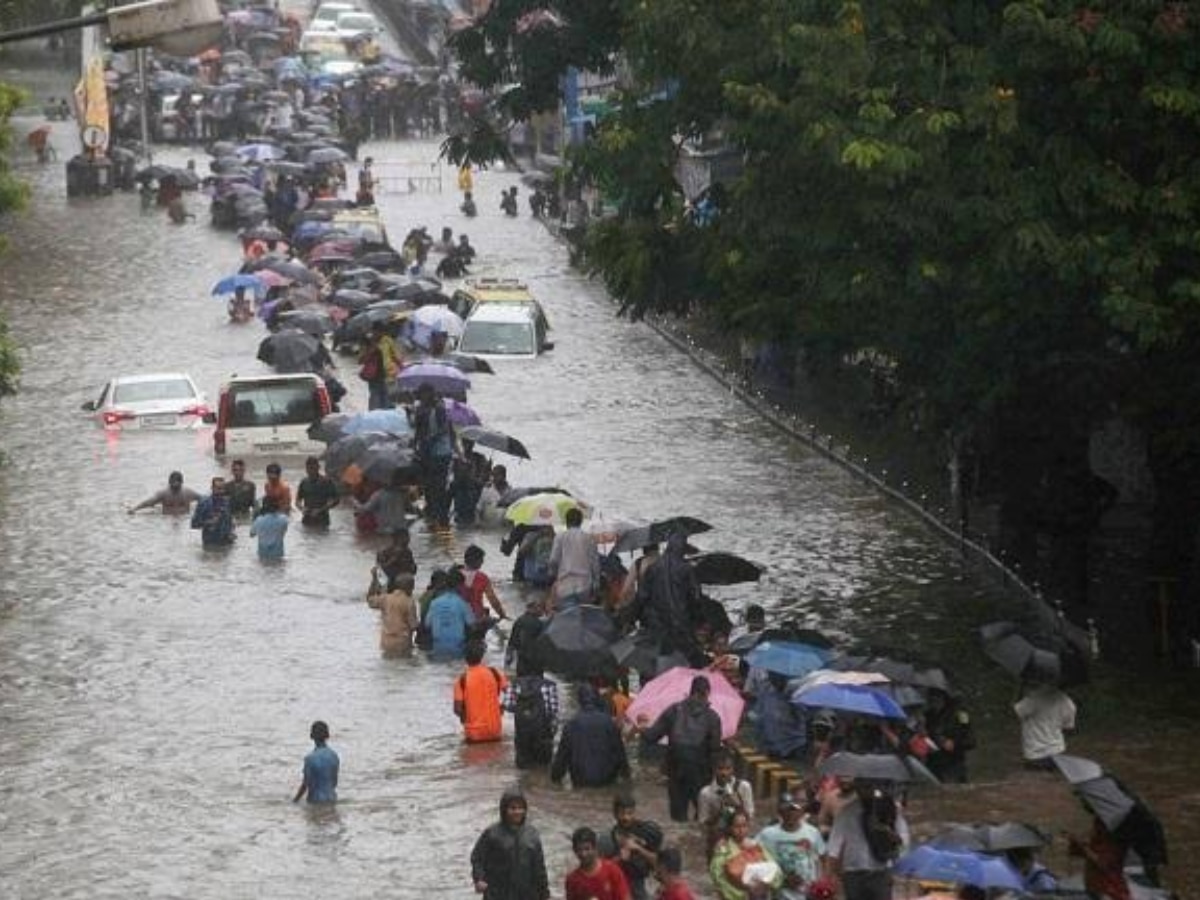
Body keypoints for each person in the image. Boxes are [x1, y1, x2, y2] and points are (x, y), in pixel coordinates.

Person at [638, 675, 724, 823]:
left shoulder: (673, 710)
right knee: (704, 816)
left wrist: (642, 727)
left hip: (676, 769)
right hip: (701, 772)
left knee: (678, 817)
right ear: (707, 693)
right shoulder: (713, 718)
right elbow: (715, 751)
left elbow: (651, 737)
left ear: (691, 691)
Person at [824, 781, 909, 900]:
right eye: (862, 786)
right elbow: (834, 843)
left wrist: (889, 835)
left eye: (870, 786)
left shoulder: (890, 809)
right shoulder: (847, 812)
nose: (866, 790)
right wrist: (829, 873)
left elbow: (904, 839)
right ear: (857, 789)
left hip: (881, 871)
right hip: (853, 872)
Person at [470, 788, 550, 900]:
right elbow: (477, 858)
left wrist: (544, 892)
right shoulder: (492, 834)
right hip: (498, 892)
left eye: (521, 808)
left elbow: (539, 868)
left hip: (527, 893)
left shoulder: (532, 834)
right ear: (504, 810)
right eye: (512, 808)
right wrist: (479, 879)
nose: (517, 812)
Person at [551, 684, 631, 788]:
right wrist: (627, 776)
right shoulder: (609, 723)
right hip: (607, 778)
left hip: (580, 778)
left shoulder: (571, 725)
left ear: (579, 701)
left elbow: (562, 757)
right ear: (598, 700)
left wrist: (555, 779)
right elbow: (620, 752)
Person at [756, 794, 826, 900]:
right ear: (780, 812)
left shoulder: (812, 832)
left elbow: (822, 859)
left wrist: (820, 886)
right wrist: (782, 879)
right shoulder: (767, 834)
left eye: (794, 810)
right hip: (779, 895)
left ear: (801, 812)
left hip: (808, 894)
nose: (790, 814)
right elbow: (754, 859)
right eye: (786, 810)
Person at [598, 794, 664, 900]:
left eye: (630, 813)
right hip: (614, 891)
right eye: (621, 813)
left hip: (638, 889)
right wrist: (620, 858)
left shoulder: (646, 833)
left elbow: (661, 864)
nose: (626, 817)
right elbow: (598, 872)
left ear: (635, 812)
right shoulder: (606, 839)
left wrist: (639, 849)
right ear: (614, 813)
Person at [709, 810, 783, 900]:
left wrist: (765, 884)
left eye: (744, 826)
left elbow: (776, 871)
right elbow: (718, 879)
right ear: (729, 828)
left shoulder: (756, 846)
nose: (741, 830)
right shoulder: (723, 850)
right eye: (737, 826)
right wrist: (744, 891)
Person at [697, 750, 756, 858]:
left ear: (733, 769)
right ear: (714, 769)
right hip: (718, 840)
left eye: (728, 769)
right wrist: (720, 810)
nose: (724, 773)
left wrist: (738, 804)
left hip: (740, 839)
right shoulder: (706, 793)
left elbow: (749, 818)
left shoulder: (744, 787)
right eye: (720, 769)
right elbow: (703, 823)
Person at [413, 382, 455, 531]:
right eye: (421, 394)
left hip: (440, 453)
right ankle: (432, 513)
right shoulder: (420, 409)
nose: (423, 397)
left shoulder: (440, 408)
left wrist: (431, 439)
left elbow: (444, 429)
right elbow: (417, 431)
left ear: (431, 394)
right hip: (426, 452)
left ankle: (441, 516)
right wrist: (415, 446)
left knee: (439, 485)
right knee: (428, 485)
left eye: (426, 394)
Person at [502, 661, 559, 768]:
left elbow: (508, 706)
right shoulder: (550, 685)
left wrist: (524, 710)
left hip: (522, 736)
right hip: (543, 736)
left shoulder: (514, 684)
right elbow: (553, 711)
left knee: (523, 774)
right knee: (543, 770)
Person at [1013, 681, 1076, 768]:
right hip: (1059, 754)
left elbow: (1016, 712)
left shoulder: (1034, 698)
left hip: (1035, 755)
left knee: (1035, 764)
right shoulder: (1067, 701)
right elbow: (1068, 728)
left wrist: (1020, 691)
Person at [455, 640, 508, 743]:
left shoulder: (462, 680)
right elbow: (511, 694)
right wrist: (502, 707)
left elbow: (457, 709)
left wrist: (465, 718)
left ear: (465, 659)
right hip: (495, 731)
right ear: (482, 656)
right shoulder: (494, 673)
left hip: (473, 734)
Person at [549, 507, 601, 609]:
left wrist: (552, 575)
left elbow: (553, 561)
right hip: (584, 585)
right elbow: (595, 564)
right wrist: (596, 584)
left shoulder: (560, 537)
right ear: (581, 522)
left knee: (566, 616)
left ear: (566, 522)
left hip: (564, 586)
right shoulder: (589, 538)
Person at [1068, 817, 1130, 900]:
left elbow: (1102, 863)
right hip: (1095, 887)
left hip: (1111, 890)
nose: (1092, 830)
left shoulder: (1114, 843)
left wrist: (1084, 848)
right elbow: (1076, 853)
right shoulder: (1095, 842)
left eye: (1096, 828)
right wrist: (1074, 842)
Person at [922, 688, 975, 782]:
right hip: (934, 763)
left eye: (937, 698)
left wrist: (954, 743)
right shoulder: (927, 716)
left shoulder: (960, 714)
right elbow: (926, 737)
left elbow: (970, 739)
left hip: (954, 762)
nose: (935, 702)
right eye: (932, 699)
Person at [566, 827, 631, 900]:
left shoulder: (612, 870)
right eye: (579, 850)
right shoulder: (572, 880)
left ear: (595, 848)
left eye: (587, 849)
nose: (583, 854)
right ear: (574, 850)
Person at [367, 572, 418, 656]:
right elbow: (413, 625)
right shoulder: (409, 602)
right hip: (402, 642)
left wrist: (374, 579)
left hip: (386, 642)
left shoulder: (385, 598)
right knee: (404, 667)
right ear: (410, 587)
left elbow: (370, 600)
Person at [426, 578, 476, 658]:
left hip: (438, 647)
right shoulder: (463, 603)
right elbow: (472, 624)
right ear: (459, 587)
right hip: (457, 647)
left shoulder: (434, 602)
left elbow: (427, 624)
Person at [292, 720, 339, 804]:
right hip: (332, 800)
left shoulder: (310, 759)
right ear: (327, 735)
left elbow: (305, 784)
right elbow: (334, 782)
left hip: (316, 801)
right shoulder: (334, 756)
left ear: (311, 736)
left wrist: (295, 801)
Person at [461, 545, 509, 622]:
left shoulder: (455, 574)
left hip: (459, 614)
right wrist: (502, 615)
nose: (483, 562)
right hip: (476, 616)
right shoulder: (482, 578)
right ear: (476, 560)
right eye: (481, 559)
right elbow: (493, 600)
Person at [505, 599, 548, 676]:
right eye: (542, 608)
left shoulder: (519, 620)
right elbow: (544, 644)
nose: (543, 611)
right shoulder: (539, 624)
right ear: (534, 608)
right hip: (535, 662)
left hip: (521, 660)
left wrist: (509, 658)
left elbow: (512, 641)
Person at [190, 477, 235, 547]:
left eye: (222, 489)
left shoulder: (227, 502)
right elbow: (194, 524)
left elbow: (229, 522)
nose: (221, 491)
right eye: (218, 488)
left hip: (226, 545)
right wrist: (209, 522)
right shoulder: (203, 503)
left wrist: (231, 532)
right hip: (210, 544)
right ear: (212, 488)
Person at [296, 455, 340, 527]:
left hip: (322, 519)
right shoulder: (304, 482)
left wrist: (321, 510)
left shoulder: (327, 482)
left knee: (321, 536)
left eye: (313, 468)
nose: (311, 471)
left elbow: (336, 500)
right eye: (309, 468)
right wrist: (302, 508)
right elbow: (298, 500)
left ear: (318, 468)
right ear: (306, 469)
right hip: (307, 518)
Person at [128, 471, 201, 514]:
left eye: (177, 487)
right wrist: (134, 509)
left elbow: (203, 499)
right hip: (167, 518)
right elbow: (148, 502)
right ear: (169, 483)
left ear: (182, 483)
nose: (175, 489)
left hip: (184, 517)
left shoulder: (188, 493)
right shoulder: (163, 493)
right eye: (173, 486)